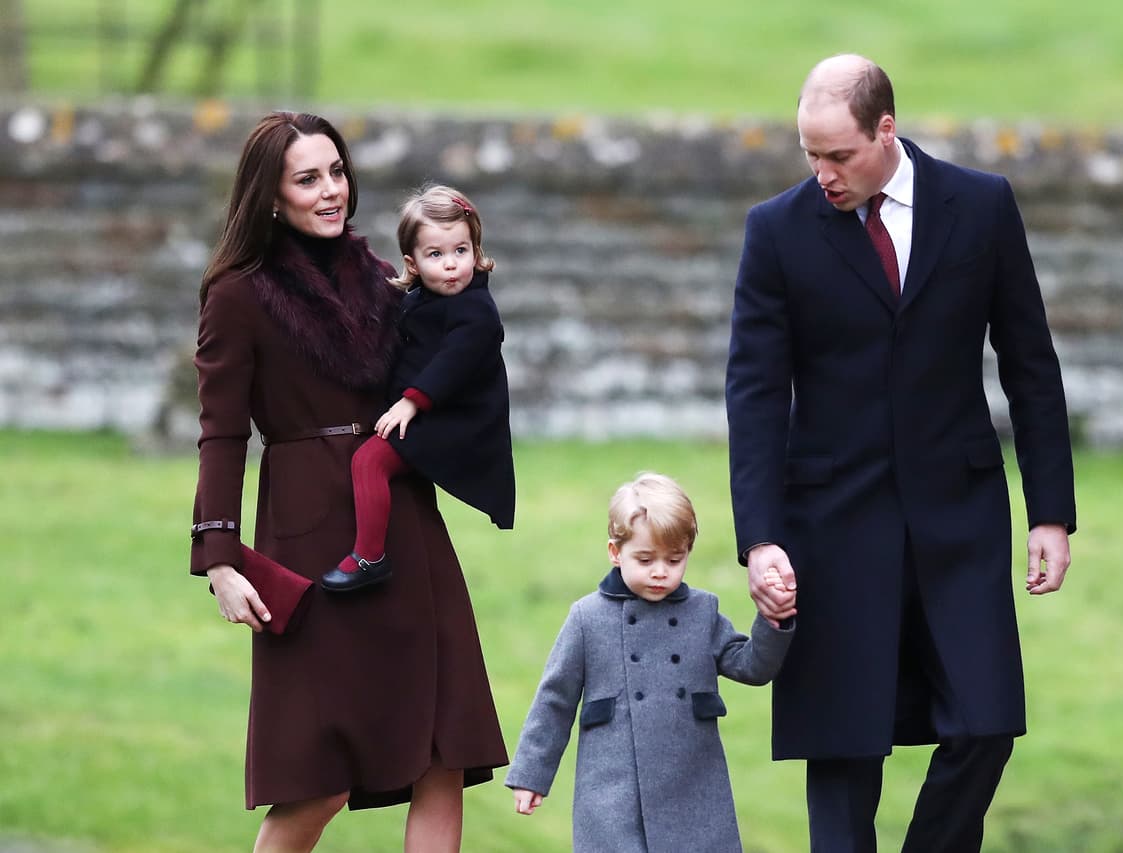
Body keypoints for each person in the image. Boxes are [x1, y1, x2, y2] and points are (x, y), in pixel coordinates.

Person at [725, 54, 1077, 852]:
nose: (822, 173)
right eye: (810, 155)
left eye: (838, 155)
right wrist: (761, 535)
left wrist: (1051, 511)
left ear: (887, 129)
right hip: (831, 523)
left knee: (986, 724)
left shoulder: (981, 207)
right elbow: (753, 393)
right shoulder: (776, 230)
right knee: (844, 748)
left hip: (960, 517)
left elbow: (1029, 362)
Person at [190, 111, 507, 852]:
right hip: (307, 539)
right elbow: (221, 431)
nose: (331, 190)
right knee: (318, 774)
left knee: (441, 753)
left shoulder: (385, 277)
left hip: (404, 525)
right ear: (271, 197)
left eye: (336, 171)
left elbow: (461, 355)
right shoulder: (238, 295)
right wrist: (220, 559)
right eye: (308, 178)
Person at [504, 472, 795, 853]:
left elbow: (752, 667)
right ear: (615, 552)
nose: (660, 572)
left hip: (694, 787)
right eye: (645, 559)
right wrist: (531, 776)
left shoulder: (702, 612)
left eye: (674, 559)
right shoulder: (587, 617)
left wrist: (773, 621)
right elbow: (554, 701)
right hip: (612, 792)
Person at [319, 183, 515, 593]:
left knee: (369, 461)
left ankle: (369, 557)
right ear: (412, 262)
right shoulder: (419, 300)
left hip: (455, 422)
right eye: (436, 255)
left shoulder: (476, 310)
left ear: (476, 252)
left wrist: (410, 403)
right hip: (429, 413)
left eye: (461, 251)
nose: (450, 265)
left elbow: (452, 363)